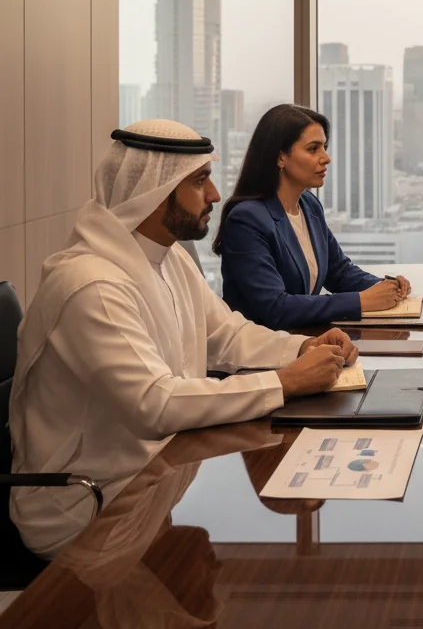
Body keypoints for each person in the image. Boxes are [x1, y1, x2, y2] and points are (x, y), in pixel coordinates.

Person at [9, 120, 359, 559]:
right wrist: (285, 382)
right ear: (155, 192)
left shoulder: (168, 257)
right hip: (89, 504)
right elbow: (154, 404)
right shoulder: (92, 284)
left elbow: (226, 335)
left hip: (155, 474)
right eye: (199, 181)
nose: (214, 195)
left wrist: (303, 349)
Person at [215, 104, 412, 330]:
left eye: (324, 147)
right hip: (260, 353)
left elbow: (339, 272)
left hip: (304, 341)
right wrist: (361, 302)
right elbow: (276, 308)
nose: (326, 158)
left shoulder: (309, 205)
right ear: (280, 157)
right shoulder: (247, 220)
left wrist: (386, 287)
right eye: (313, 149)